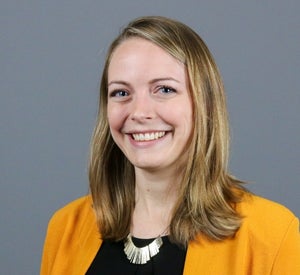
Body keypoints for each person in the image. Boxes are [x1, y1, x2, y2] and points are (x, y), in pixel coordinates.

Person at [40, 16, 300, 274]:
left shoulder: (273, 235)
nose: (139, 112)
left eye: (164, 90)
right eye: (121, 93)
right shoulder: (65, 229)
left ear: (205, 103)